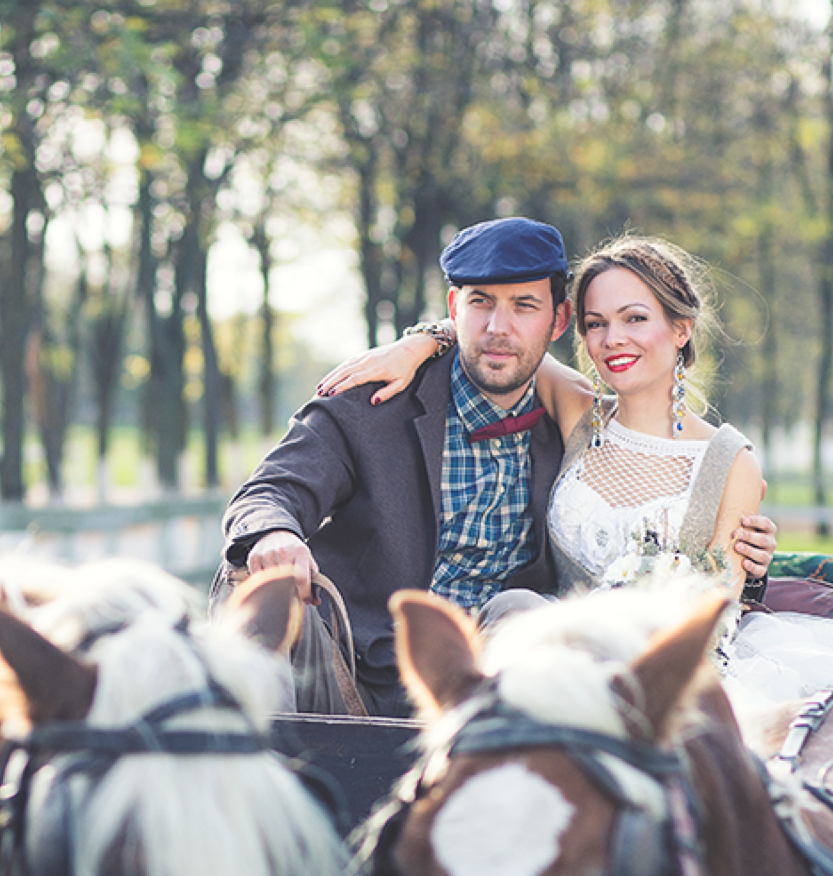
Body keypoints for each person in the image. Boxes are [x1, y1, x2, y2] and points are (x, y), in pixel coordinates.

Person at [222, 217, 776, 716]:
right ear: (455, 308)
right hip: (355, 663)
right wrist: (273, 531)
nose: (498, 327)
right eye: (480, 302)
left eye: (524, 306)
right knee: (253, 578)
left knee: (521, 609)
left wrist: (751, 570)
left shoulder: (564, 411)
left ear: (557, 321)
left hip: (494, 680)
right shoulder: (377, 400)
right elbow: (270, 490)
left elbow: (714, 578)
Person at [328, 234, 829, 703]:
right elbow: (497, 338)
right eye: (596, 323)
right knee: (515, 609)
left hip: (664, 678)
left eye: (634, 319)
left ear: (681, 329)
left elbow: (717, 625)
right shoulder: (578, 413)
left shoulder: (730, 462)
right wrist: (418, 343)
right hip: (552, 662)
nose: (613, 339)